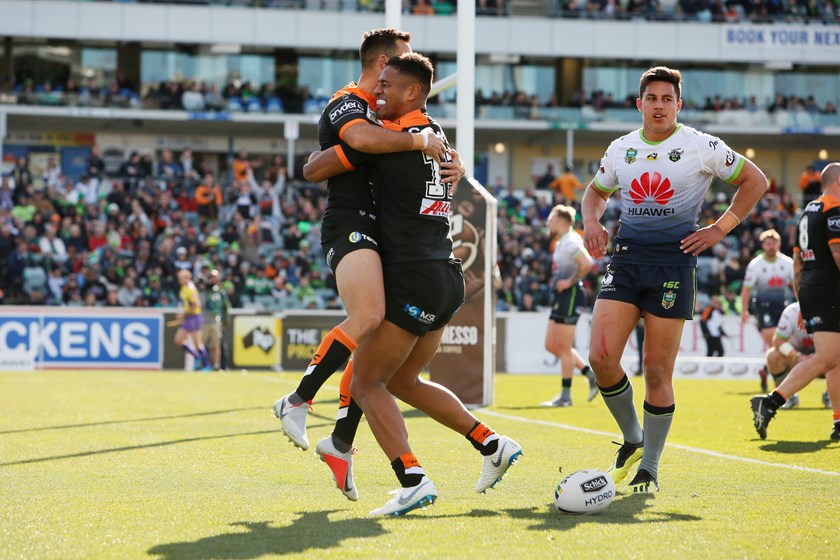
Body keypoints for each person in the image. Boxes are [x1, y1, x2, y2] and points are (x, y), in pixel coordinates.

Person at [304, 52, 522, 516]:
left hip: (413, 277)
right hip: (445, 276)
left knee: (366, 384)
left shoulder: (396, 140)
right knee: (405, 380)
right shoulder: (436, 136)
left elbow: (316, 167)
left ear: (413, 93)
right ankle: (492, 445)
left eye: (385, 86)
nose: (374, 92)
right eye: (375, 83)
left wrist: (334, 146)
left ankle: (413, 478)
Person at [581, 66, 767, 493]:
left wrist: (721, 227)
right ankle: (633, 436)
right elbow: (595, 192)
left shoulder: (700, 146)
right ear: (639, 104)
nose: (659, 105)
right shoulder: (621, 148)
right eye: (652, 98)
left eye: (668, 99)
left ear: (678, 105)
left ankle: (650, 465)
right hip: (626, 260)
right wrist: (591, 221)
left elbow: (755, 180)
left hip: (673, 265)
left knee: (656, 370)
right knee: (601, 357)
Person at [270, 29, 453, 460]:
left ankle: (341, 443)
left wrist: (449, 157)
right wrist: (419, 143)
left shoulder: (387, 112)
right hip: (351, 223)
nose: (411, 68)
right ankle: (297, 400)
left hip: (385, 234)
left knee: (373, 341)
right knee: (369, 315)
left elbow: (408, 144)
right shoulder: (348, 103)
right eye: (404, 60)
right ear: (383, 63)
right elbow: (356, 145)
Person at [751, 162, 840, 441]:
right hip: (830, 289)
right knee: (826, 358)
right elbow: (837, 254)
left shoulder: (806, 213)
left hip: (814, 288)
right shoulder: (834, 210)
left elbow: (797, 264)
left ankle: (839, 422)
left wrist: (803, 301)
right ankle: (771, 401)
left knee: (836, 360)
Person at [540, 204, 597, 407]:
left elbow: (587, 263)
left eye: (551, 219)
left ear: (562, 222)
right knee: (551, 345)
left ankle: (566, 396)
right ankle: (589, 374)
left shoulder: (571, 241)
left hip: (570, 295)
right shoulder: (562, 241)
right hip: (561, 296)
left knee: (563, 348)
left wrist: (569, 282)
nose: (548, 223)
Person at [739, 229, 794, 391]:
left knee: (783, 345)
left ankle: (765, 370)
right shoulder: (756, 265)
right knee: (775, 344)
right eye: (768, 244)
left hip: (783, 308)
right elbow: (746, 289)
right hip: (763, 308)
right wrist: (744, 310)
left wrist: (802, 305)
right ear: (763, 245)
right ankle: (782, 385)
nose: (771, 246)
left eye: (774, 243)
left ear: (779, 244)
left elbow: (796, 286)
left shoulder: (787, 263)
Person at [763, 301, 818, 410]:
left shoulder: (832, 307)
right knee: (773, 356)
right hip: (800, 355)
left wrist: (821, 356)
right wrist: (797, 356)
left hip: (827, 357)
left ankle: (833, 395)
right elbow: (778, 341)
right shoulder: (791, 311)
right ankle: (786, 396)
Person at [175, 269, 209, 371]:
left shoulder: (190, 288)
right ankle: (196, 357)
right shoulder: (184, 288)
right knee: (179, 340)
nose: (180, 280)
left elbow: (196, 304)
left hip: (194, 317)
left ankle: (206, 365)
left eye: (182, 278)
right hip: (189, 317)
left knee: (197, 343)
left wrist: (184, 314)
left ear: (187, 278)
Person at [201, 269, 230, 371]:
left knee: (216, 345)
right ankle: (202, 364)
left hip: (215, 321)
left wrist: (225, 322)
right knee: (202, 345)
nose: (213, 279)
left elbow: (225, 308)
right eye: (211, 277)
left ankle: (216, 365)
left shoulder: (220, 291)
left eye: (215, 277)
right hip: (204, 320)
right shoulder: (204, 289)